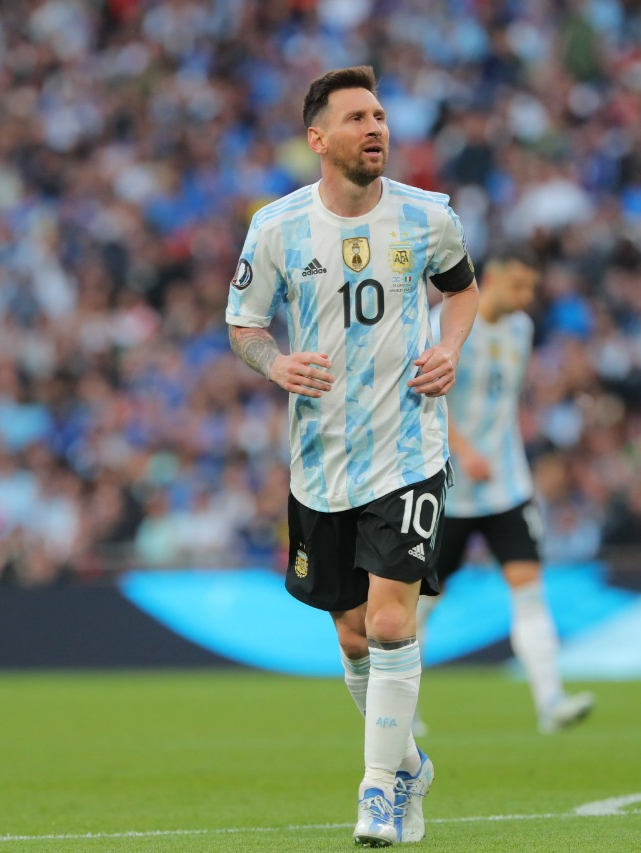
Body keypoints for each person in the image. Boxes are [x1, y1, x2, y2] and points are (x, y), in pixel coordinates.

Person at [226, 66, 479, 847]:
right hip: (319, 460)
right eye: (357, 118)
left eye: (380, 115)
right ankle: (406, 763)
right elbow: (244, 325)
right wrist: (277, 365)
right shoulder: (276, 228)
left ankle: (376, 790)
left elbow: (462, 290)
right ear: (318, 139)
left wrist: (451, 345)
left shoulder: (429, 217)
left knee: (394, 617)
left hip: (408, 449)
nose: (376, 128)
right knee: (353, 636)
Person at [418, 246, 594, 735]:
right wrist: (464, 450)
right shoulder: (442, 325)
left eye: (531, 287)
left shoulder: (522, 329)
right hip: (448, 487)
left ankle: (550, 701)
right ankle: (402, 709)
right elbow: (422, 398)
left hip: (506, 487)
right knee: (421, 604)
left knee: (529, 591)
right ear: (489, 279)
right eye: (519, 285)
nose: (527, 297)